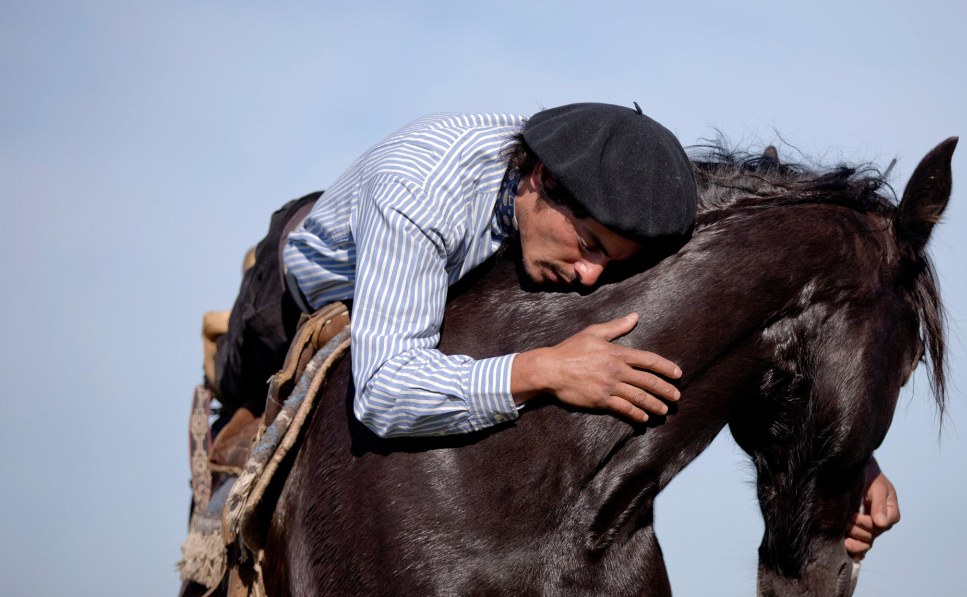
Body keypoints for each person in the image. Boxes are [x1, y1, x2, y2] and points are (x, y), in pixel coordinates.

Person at [213, 102, 899, 558]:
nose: (589, 276)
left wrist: (845, 460)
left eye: (610, 260)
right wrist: (543, 369)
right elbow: (386, 390)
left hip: (453, 270)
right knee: (229, 441)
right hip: (303, 285)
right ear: (539, 179)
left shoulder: (598, 192)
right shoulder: (417, 198)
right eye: (588, 245)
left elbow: (738, 312)